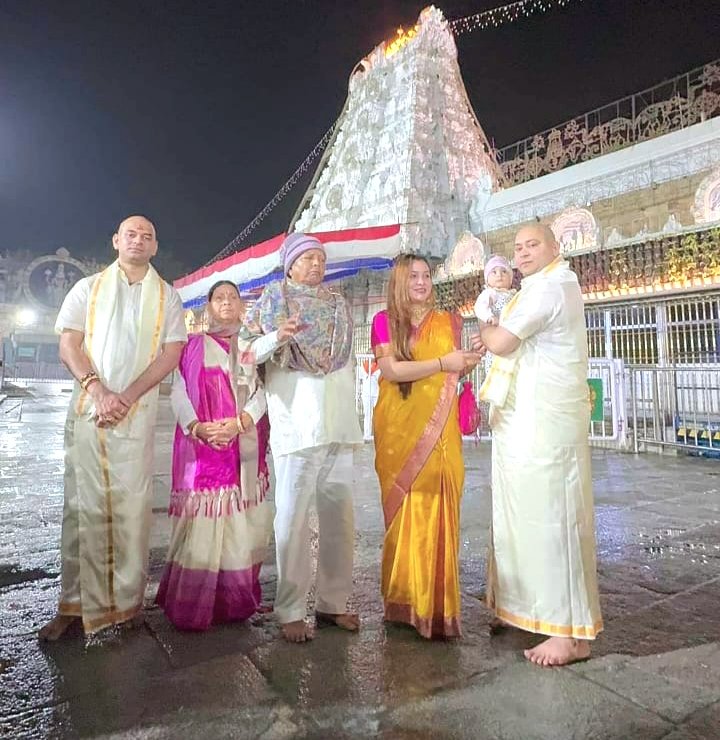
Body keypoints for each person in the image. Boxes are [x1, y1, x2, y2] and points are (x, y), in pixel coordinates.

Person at [40, 215, 187, 640]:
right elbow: (69, 344)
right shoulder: (87, 288)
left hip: (135, 416)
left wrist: (126, 397)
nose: (138, 241)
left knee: (131, 510)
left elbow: (172, 352)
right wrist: (100, 392)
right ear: (116, 241)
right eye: (131, 234)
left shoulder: (168, 296)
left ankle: (126, 604)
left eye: (147, 236)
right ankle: (72, 604)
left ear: (155, 247)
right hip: (91, 412)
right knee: (81, 509)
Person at [472, 223, 602, 666]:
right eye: (518, 247)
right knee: (529, 517)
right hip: (528, 420)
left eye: (533, 245)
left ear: (555, 246)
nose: (523, 253)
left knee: (553, 519)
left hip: (544, 423)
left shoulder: (551, 287)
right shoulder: (536, 287)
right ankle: (538, 614)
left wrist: (485, 320)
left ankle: (567, 633)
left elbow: (501, 341)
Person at [249, 232, 362, 643]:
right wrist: (277, 336)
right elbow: (247, 353)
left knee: (340, 517)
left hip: (339, 422)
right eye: (308, 258)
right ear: (290, 265)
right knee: (293, 519)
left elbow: (346, 358)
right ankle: (291, 609)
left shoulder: (338, 304)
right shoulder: (273, 300)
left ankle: (334, 602)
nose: (316, 264)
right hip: (297, 422)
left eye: (321, 258)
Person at [371, 254, 481, 639]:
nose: (421, 282)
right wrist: (443, 363)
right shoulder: (384, 321)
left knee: (438, 499)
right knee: (406, 504)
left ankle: (436, 606)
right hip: (398, 429)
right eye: (413, 276)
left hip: (441, 432)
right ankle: (404, 598)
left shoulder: (449, 322)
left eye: (426, 276)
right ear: (399, 282)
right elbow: (392, 371)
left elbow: (454, 370)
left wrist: (467, 360)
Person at [156, 280, 272, 631]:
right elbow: (178, 392)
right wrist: (197, 427)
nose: (226, 302)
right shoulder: (192, 346)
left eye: (232, 297)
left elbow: (264, 391)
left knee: (241, 522)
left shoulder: (253, 346)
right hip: (202, 445)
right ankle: (195, 603)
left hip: (241, 443)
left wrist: (240, 423)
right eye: (218, 298)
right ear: (208, 306)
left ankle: (235, 600)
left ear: (241, 306)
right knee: (203, 520)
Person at [473, 254, 517, 375]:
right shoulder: (491, 293)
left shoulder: (514, 295)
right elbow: (479, 307)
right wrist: (489, 317)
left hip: (512, 340)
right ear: (487, 279)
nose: (499, 275)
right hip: (497, 340)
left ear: (511, 279)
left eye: (504, 271)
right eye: (494, 272)